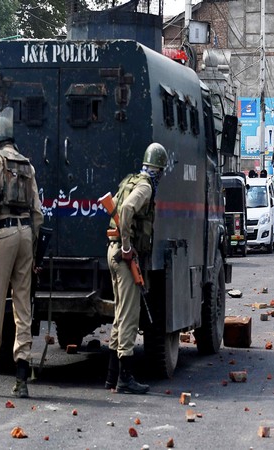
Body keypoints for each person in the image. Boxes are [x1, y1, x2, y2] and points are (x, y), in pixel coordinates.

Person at [0, 113, 44, 398]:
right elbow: (37, 212)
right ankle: (21, 381)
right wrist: (33, 248)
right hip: (26, 233)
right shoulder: (27, 164)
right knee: (23, 306)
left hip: (3, 233)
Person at [105, 143, 168, 394]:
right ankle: (125, 378)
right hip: (124, 256)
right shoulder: (144, 186)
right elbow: (128, 208)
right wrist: (129, 246)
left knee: (120, 316)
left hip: (113, 251)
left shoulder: (131, 180)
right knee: (130, 317)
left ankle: (111, 377)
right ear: (158, 170)